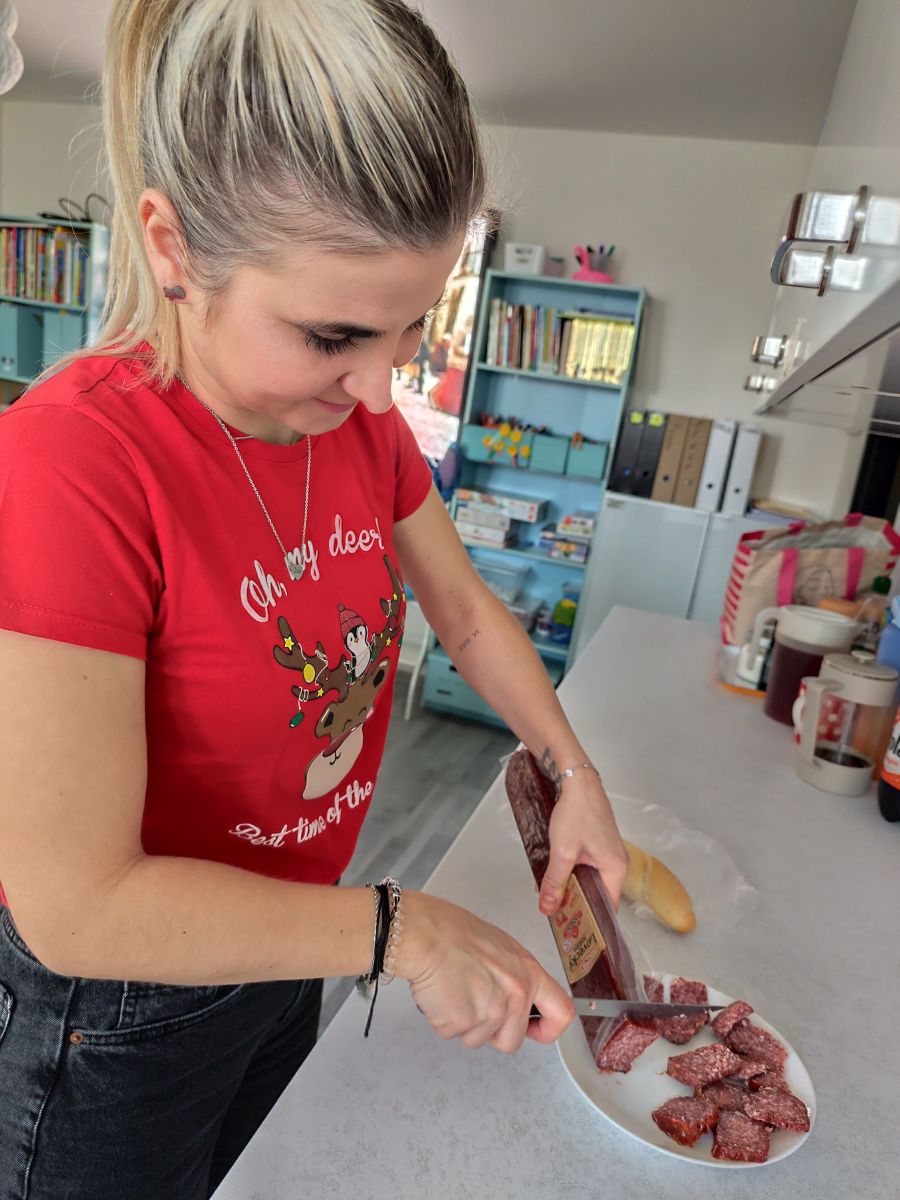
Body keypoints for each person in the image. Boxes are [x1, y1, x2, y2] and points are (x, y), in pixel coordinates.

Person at [0, 2, 627, 1197]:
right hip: (115, 1015)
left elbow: (466, 613)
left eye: (410, 329)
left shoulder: (355, 428)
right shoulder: (75, 462)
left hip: (291, 943)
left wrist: (573, 772)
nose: (381, 390)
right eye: (334, 334)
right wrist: (403, 930)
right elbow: (76, 906)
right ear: (173, 247)